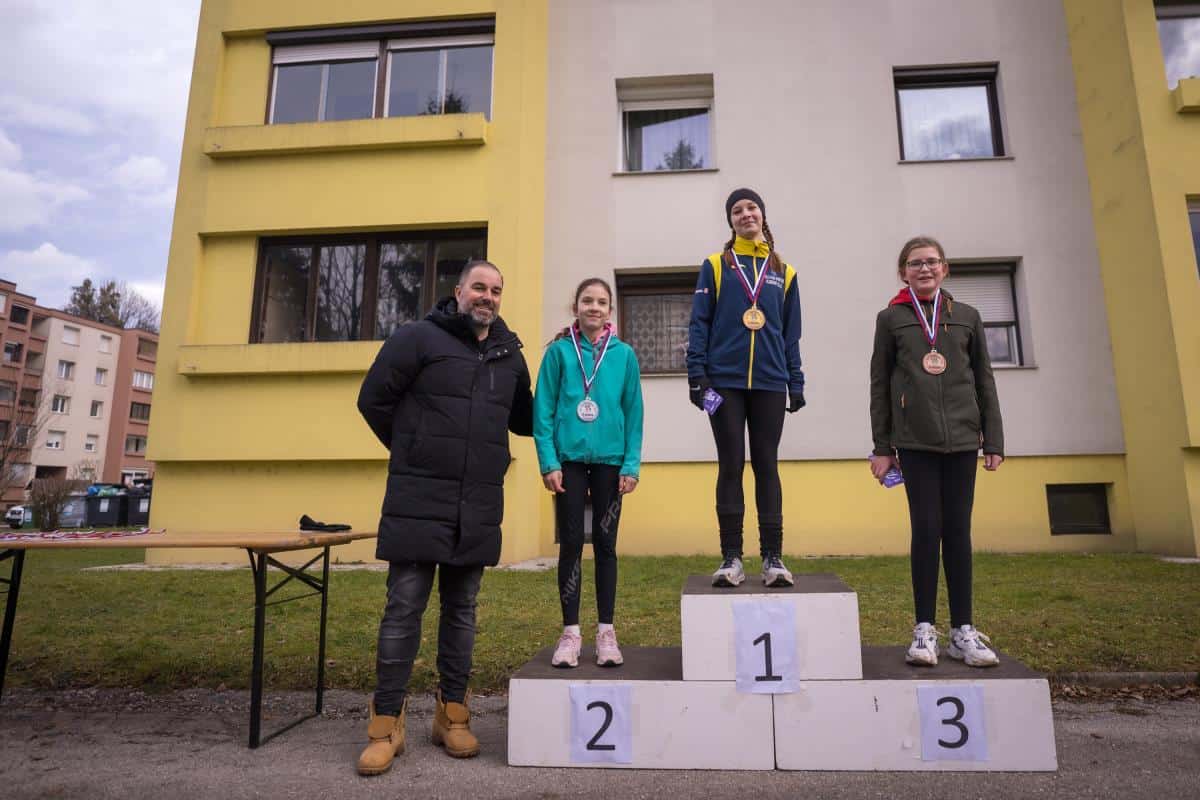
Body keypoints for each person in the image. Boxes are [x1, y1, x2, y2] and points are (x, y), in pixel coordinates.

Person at [355, 260, 533, 775]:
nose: (489, 296)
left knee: (462, 611)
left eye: (497, 290)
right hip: (418, 498)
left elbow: (525, 419)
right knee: (403, 610)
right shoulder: (417, 338)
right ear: (458, 292)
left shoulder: (510, 355)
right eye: (480, 287)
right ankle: (385, 723)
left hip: (476, 502)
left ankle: (451, 715)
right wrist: (413, 450)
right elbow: (373, 400)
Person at [868, 236, 1004, 668]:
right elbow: (880, 386)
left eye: (931, 262)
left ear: (945, 269)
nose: (924, 269)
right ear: (903, 272)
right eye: (915, 263)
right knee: (926, 531)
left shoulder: (967, 317)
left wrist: (994, 440)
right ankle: (924, 630)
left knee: (958, 533)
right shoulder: (891, 319)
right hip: (915, 443)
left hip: (964, 441)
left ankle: (963, 631)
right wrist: (882, 447)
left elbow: (984, 381)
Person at [687, 188, 805, 588]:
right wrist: (697, 375)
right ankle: (731, 559)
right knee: (731, 464)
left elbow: (791, 334)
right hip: (725, 383)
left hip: (771, 382)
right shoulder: (717, 266)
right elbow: (699, 323)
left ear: (762, 215)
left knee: (767, 465)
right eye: (737, 210)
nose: (745, 214)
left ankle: (772, 558)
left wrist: (796, 380)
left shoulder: (784, 272)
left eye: (751, 207)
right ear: (730, 221)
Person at [533, 278, 644, 669]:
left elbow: (634, 413)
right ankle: (570, 633)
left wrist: (631, 464)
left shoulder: (624, 355)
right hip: (570, 463)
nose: (594, 307)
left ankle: (606, 632)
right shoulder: (559, 353)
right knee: (571, 545)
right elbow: (542, 411)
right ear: (575, 306)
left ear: (610, 310)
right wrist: (548, 461)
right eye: (587, 301)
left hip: (611, 463)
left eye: (601, 302)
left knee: (606, 543)